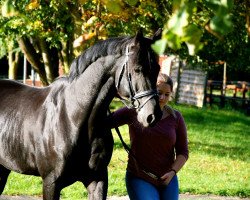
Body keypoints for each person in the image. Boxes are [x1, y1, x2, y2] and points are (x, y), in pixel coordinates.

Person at [109, 73, 189, 200]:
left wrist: (172, 172)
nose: (162, 97)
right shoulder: (133, 111)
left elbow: (183, 152)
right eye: (159, 92)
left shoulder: (176, 118)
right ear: (150, 90)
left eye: (167, 94)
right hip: (140, 177)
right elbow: (106, 122)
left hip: (168, 178)